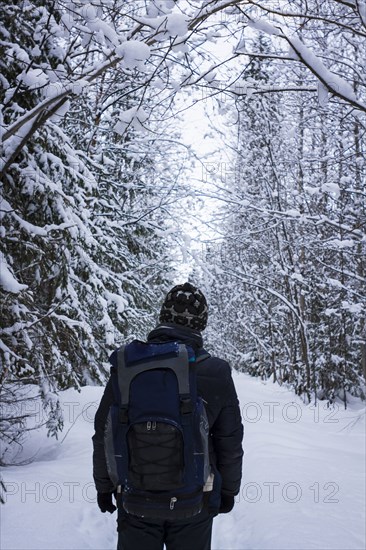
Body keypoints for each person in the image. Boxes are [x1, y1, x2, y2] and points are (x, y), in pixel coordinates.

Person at [92, 282, 243, 550]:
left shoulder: (128, 364)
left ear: (162, 317)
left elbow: (103, 431)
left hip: (135, 498)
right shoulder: (216, 371)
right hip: (195, 499)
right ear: (201, 323)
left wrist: (105, 486)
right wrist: (229, 491)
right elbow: (229, 442)